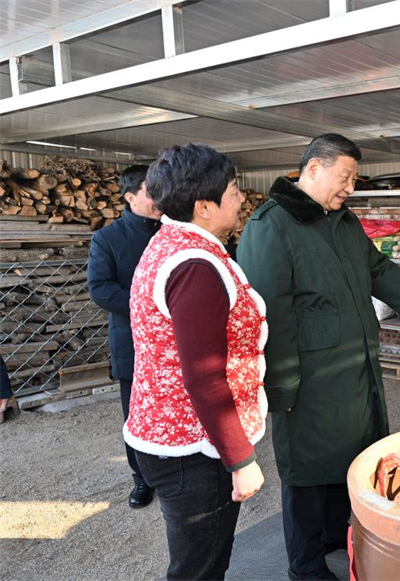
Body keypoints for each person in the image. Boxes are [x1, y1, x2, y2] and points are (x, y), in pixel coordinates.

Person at [238, 133, 400, 581]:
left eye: (354, 179)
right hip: (308, 377)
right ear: (313, 168)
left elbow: (378, 269)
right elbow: (268, 312)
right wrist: (280, 387)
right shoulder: (271, 224)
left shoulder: (343, 220)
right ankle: (305, 565)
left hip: (356, 365)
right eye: (346, 177)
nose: (351, 188)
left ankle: (336, 534)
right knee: (307, 472)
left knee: (350, 457)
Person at [124, 144, 267, 580]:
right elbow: (205, 376)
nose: (241, 198)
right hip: (193, 450)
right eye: (233, 190)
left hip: (173, 434)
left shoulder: (170, 243)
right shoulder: (194, 265)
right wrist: (240, 460)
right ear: (204, 207)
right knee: (200, 569)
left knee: (199, 564)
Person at [87, 164, 161, 508]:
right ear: (130, 197)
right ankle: (142, 478)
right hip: (132, 340)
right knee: (136, 413)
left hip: (176, 339)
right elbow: (101, 289)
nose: (160, 197)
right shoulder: (107, 238)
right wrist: (152, 306)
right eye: (151, 191)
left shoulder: (174, 232)